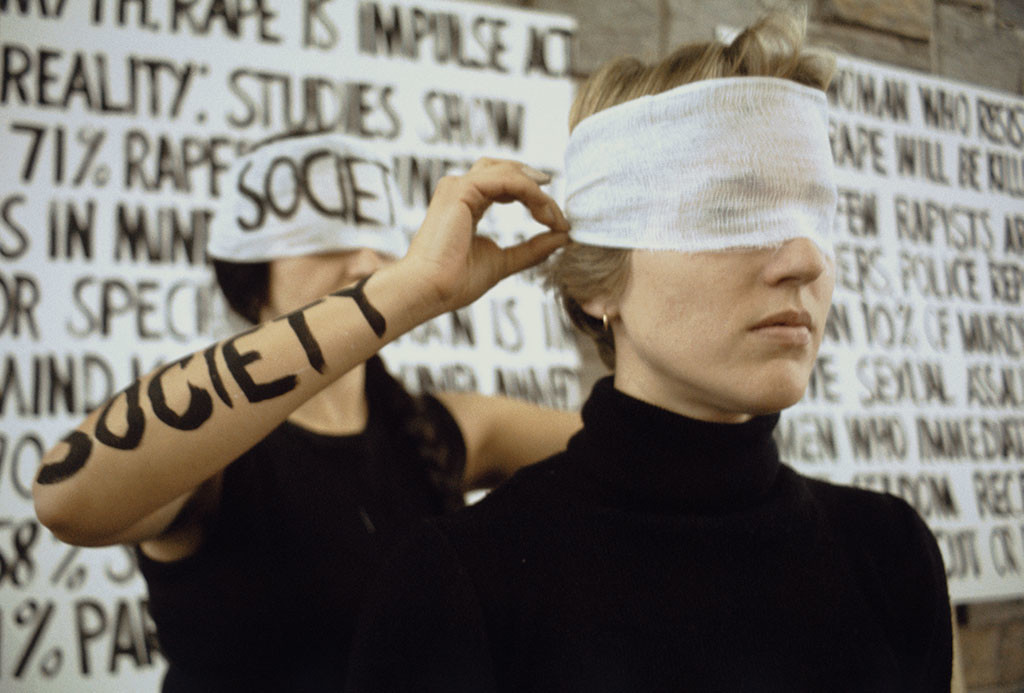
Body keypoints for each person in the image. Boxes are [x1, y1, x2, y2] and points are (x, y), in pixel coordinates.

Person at [346, 13, 953, 692]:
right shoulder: (461, 589)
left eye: (818, 213)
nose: (807, 259)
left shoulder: (890, 554)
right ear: (600, 281)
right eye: (732, 211)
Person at [32, 132, 580, 690]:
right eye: (323, 242)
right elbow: (67, 498)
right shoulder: (217, 461)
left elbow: (634, 443)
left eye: (377, 240)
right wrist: (411, 288)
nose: (366, 261)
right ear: (252, 277)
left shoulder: (440, 429)